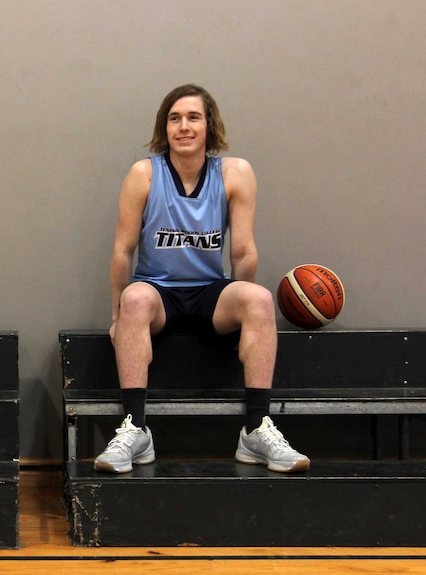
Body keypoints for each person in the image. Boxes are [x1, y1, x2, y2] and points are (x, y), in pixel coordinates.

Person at [94, 84, 309, 474]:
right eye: (175, 118)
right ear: (165, 127)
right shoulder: (144, 174)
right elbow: (122, 250)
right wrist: (117, 316)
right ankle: (137, 430)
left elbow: (243, 252)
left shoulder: (234, 173)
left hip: (210, 292)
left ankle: (256, 429)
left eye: (193, 117)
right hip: (158, 292)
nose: (184, 126)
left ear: (210, 125)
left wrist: (244, 319)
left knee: (259, 299)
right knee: (135, 300)